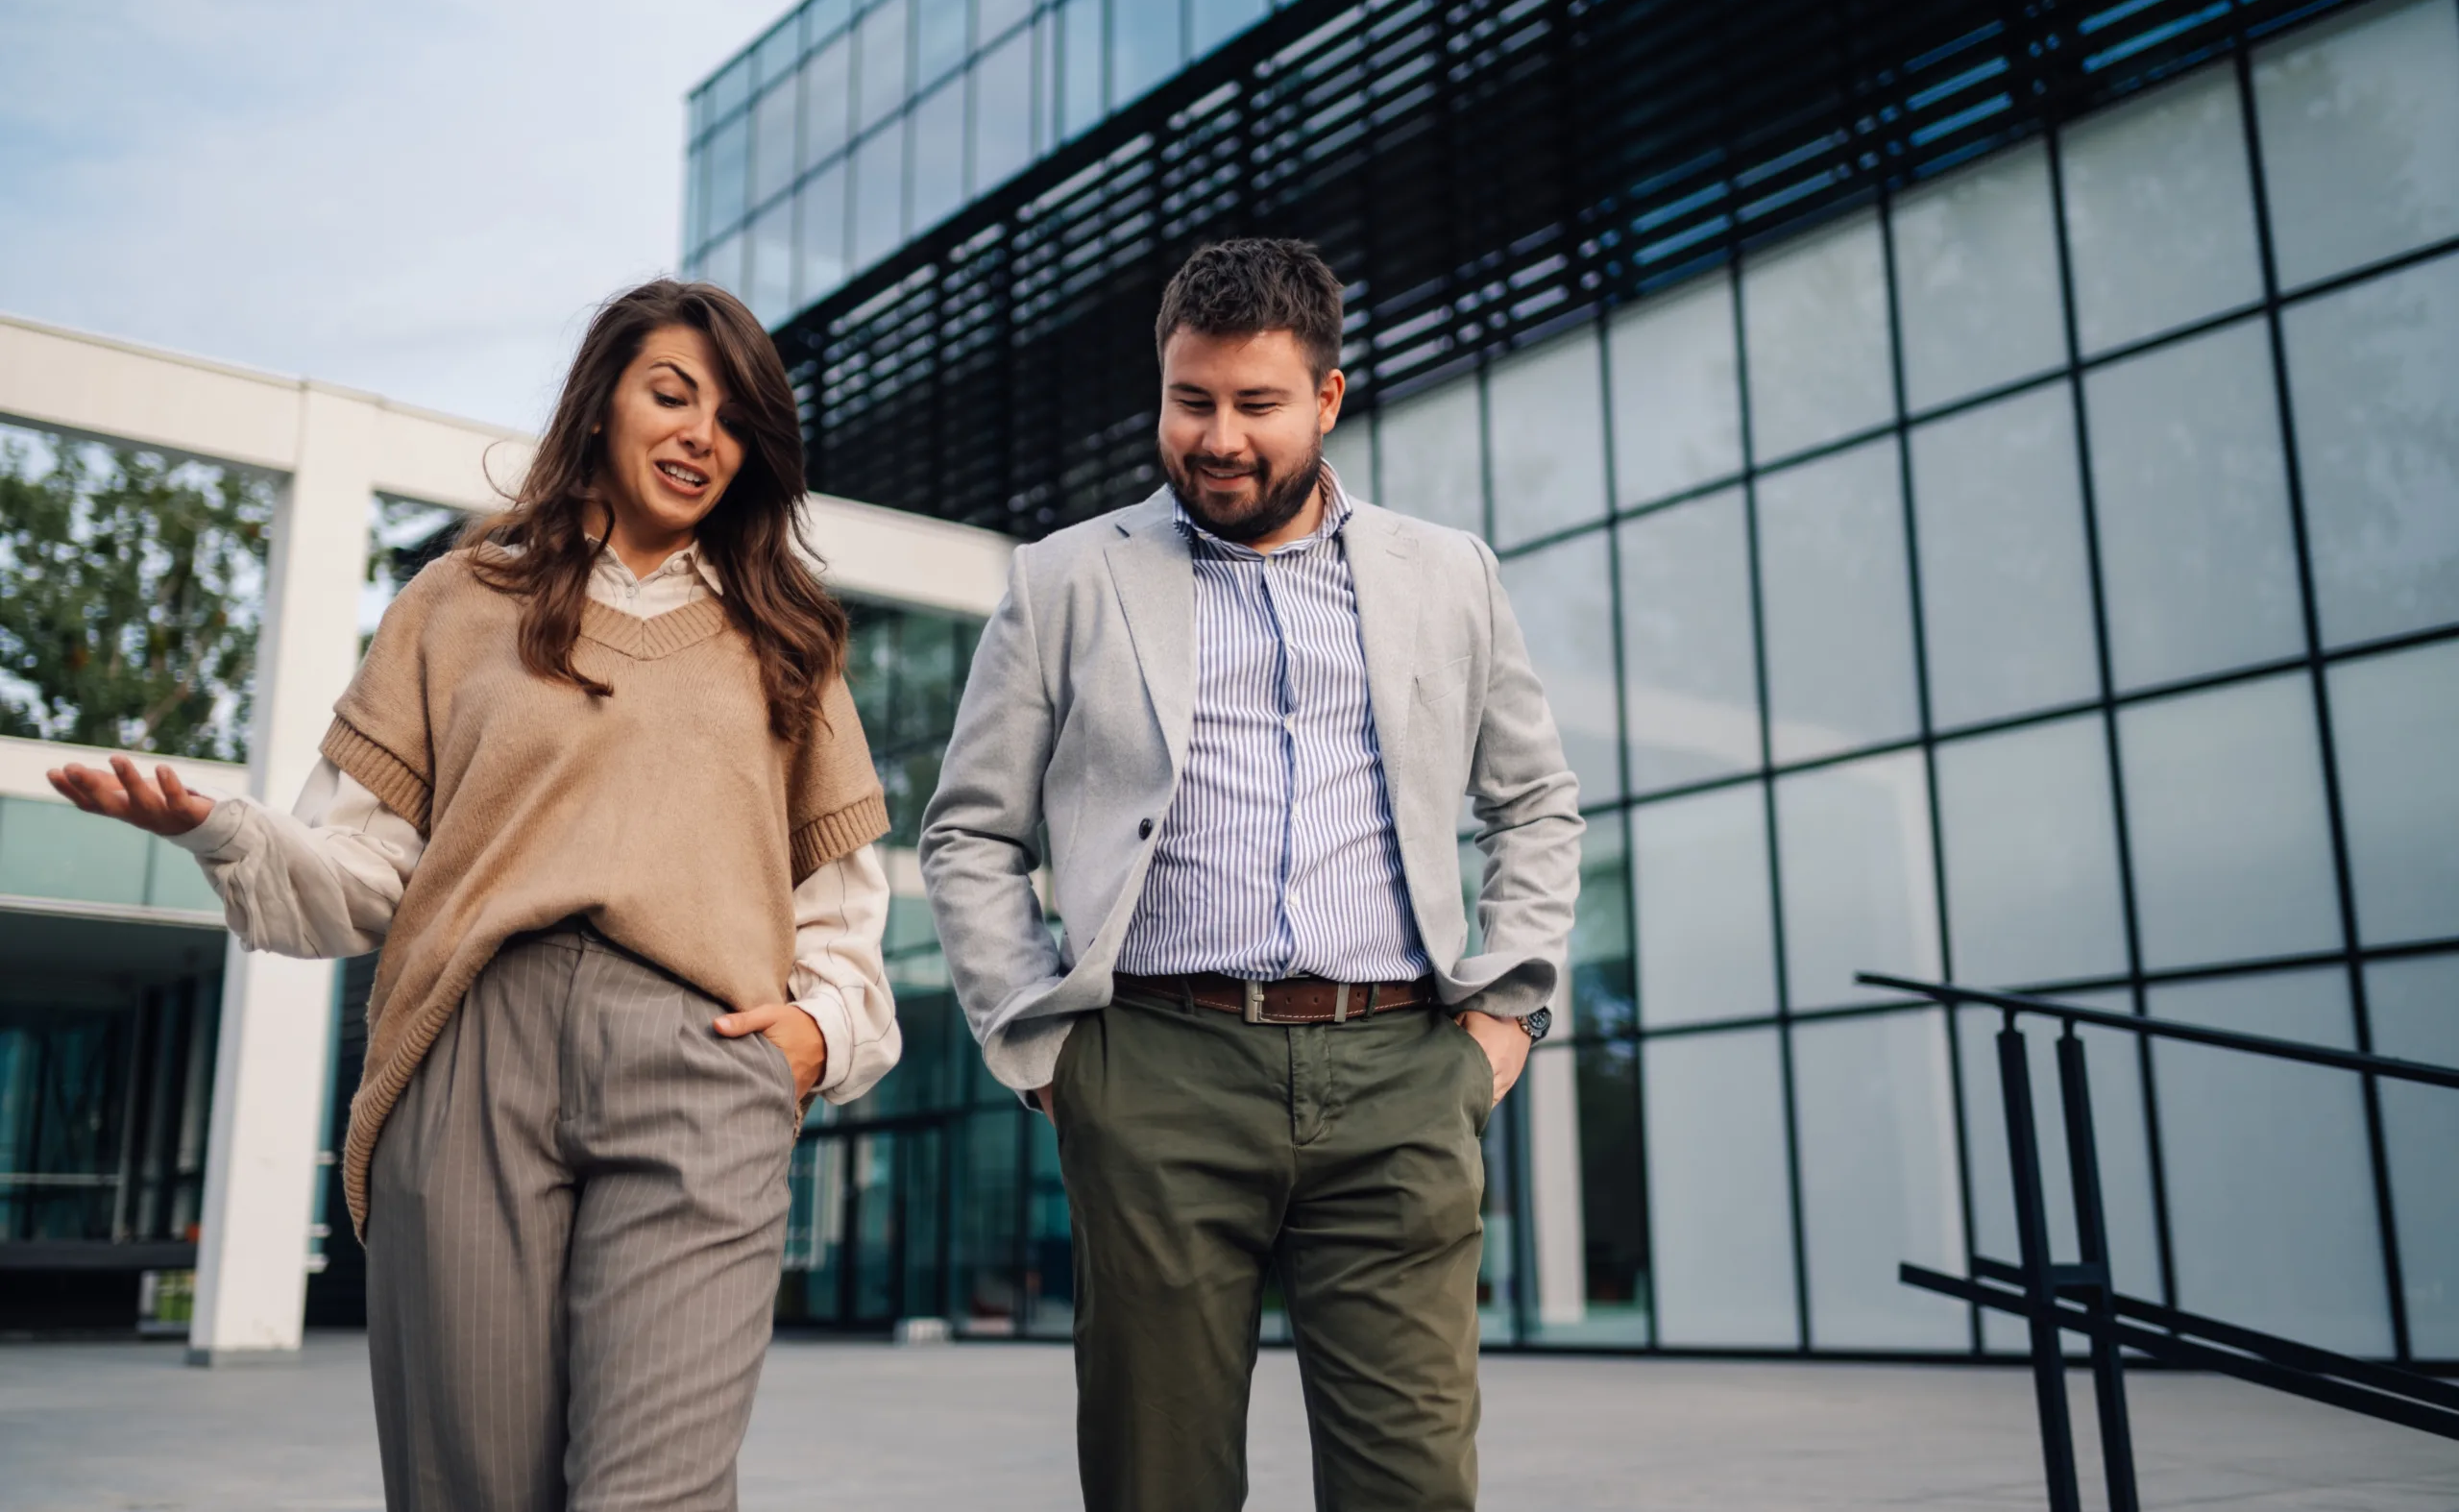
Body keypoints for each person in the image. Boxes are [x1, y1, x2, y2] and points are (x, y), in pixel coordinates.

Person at [49, 279, 898, 1511]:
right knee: (470, 1491)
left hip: (703, 1059)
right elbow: (362, 882)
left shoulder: (788, 636)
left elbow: (841, 913)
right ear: (600, 402)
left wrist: (816, 1035)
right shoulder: (458, 601)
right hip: (469, 1054)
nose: (700, 434)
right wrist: (224, 831)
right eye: (671, 393)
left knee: (652, 1491)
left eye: (733, 416)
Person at [920, 237, 1583, 1511]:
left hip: (1399, 1067)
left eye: (1256, 404)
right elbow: (970, 832)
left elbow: (1536, 797)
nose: (1218, 437)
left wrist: (1505, 1018)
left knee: (1415, 1480)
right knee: (1155, 1481)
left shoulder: (1447, 574)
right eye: (1191, 400)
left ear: (1327, 399)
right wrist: (1046, 1050)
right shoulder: (1066, 579)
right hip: (1157, 1066)